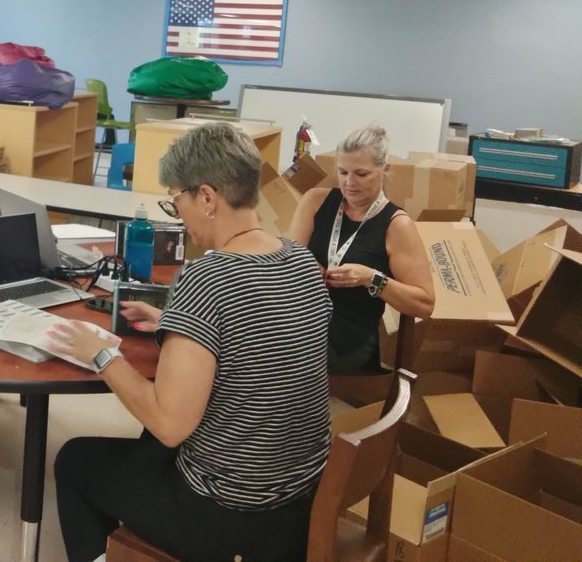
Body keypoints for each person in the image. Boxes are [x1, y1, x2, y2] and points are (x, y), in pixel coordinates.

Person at [50, 122, 332, 562]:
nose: (176, 213)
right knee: (147, 444)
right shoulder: (299, 259)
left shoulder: (206, 277)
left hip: (231, 517)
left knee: (75, 460)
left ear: (207, 197)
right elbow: (257, 338)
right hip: (297, 502)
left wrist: (101, 355)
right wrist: (178, 324)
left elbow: (171, 424)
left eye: (176, 199)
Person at [287, 124, 435, 374]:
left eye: (361, 174)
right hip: (301, 322)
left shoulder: (397, 225)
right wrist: (305, 265)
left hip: (348, 341)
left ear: (385, 170)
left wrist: (371, 278)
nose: (349, 183)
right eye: (343, 172)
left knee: (274, 359)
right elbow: (284, 263)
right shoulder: (315, 201)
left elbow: (424, 304)